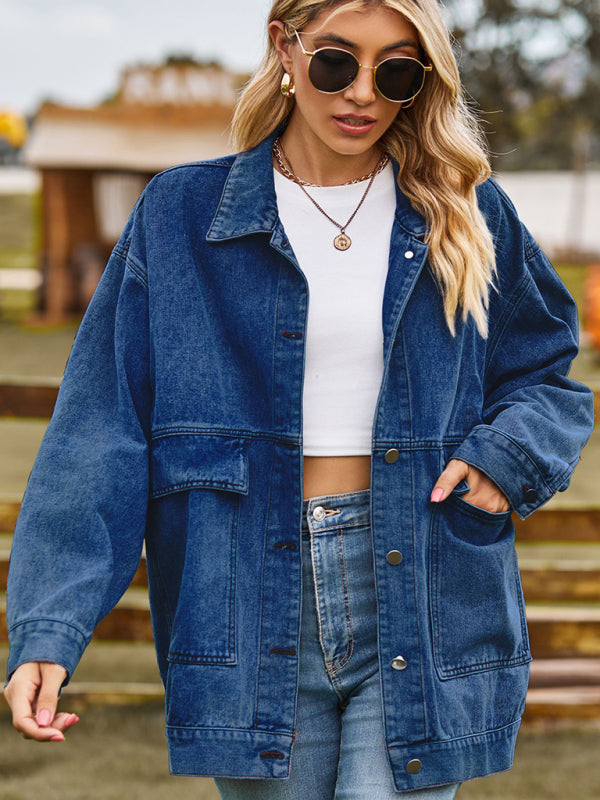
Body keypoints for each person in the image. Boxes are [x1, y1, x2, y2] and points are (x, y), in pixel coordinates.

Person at [3, 0, 595, 797]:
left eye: (396, 72)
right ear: (284, 47)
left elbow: (547, 376)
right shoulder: (181, 216)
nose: (363, 93)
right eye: (336, 62)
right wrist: (50, 628)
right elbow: (100, 430)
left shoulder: (467, 212)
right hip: (244, 593)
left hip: (424, 576)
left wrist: (505, 458)